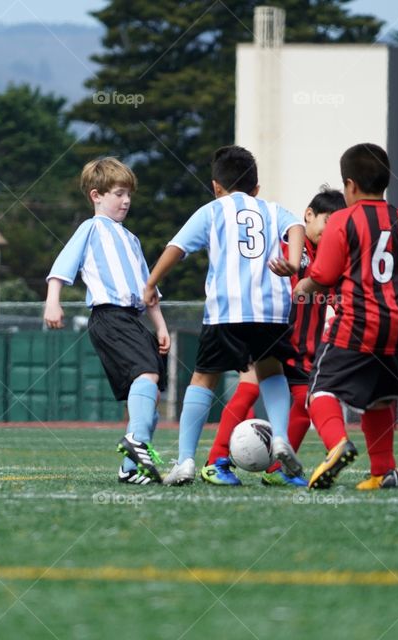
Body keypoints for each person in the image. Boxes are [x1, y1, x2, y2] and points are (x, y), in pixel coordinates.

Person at [143, 145, 305, 486]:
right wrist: (293, 260)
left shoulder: (212, 210)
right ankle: (280, 438)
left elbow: (177, 248)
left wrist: (151, 283)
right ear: (257, 188)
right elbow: (297, 228)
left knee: (204, 378)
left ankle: (186, 460)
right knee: (272, 371)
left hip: (226, 310)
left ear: (217, 186)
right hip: (272, 310)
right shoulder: (272, 210)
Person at [295, 143, 398, 491]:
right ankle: (384, 471)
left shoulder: (343, 220)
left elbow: (325, 275)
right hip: (396, 326)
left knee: (320, 390)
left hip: (355, 324)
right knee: (380, 397)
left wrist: (303, 286)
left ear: (350, 185)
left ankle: (337, 445)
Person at [201, 186, 347, 487]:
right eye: (327, 221)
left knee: (307, 403)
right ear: (309, 215)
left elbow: (333, 297)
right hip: (272, 337)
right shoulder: (289, 248)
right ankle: (215, 460)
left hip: (305, 349)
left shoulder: (332, 257)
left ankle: (278, 468)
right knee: (249, 388)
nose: (331, 230)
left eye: (338, 225)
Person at [44, 157, 169, 484]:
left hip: (134, 320)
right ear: (96, 195)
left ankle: (131, 468)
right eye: (118, 193)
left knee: (149, 390)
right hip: (109, 316)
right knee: (147, 374)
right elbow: (61, 268)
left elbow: (148, 289)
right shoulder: (91, 228)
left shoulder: (131, 239)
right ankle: (137, 443)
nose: (125, 200)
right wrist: (53, 302)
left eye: (129, 194)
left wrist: (161, 326)